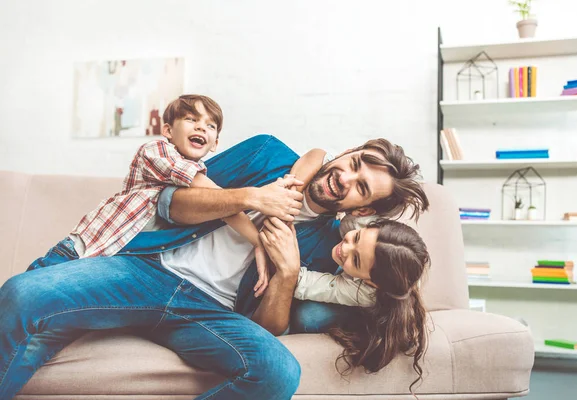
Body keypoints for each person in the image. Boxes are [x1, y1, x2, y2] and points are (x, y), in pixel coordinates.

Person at [0, 134, 429, 399]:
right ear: (347, 151)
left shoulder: (329, 246)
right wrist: (250, 198)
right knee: (24, 295)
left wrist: (287, 273)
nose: (345, 179)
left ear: (365, 206)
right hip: (146, 271)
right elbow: (170, 203)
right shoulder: (267, 154)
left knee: (278, 373)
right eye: (353, 164)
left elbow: (269, 328)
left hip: (210, 312)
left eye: (361, 187)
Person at [28, 94, 275, 294]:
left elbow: (223, 208)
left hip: (105, 263)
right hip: (79, 250)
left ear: (215, 144)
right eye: (191, 119)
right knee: (23, 296)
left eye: (210, 125)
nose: (201, 126)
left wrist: (259, 244)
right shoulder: (157, 150)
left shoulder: (200, 179)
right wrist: (255, 227)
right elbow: (223, 201)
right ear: (168, 130)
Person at [259, 216, 430, 393]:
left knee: (309, 315)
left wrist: (286, 254)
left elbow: (302, 282)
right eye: (356, 238)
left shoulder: (366, 292)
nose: (345, 248)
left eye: (356, 259)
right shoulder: (367, 227)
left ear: (371, 282)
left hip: (364, 306)